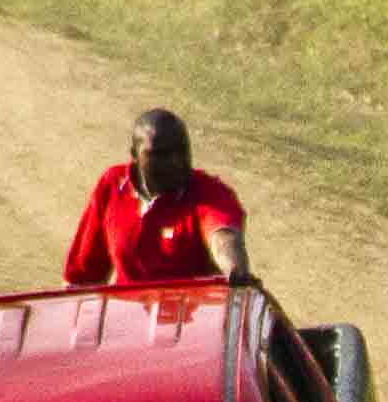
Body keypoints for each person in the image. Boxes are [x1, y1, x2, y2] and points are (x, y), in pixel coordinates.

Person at [64, 108, 251, 290]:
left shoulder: (209, 193)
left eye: (181, 150)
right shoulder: (113, 185)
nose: (176, 162)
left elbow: (222, 235)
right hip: (125, 315)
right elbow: (82, 277)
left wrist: (233, 267)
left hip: (190, 317)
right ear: (135, 155)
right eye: (160, 155)